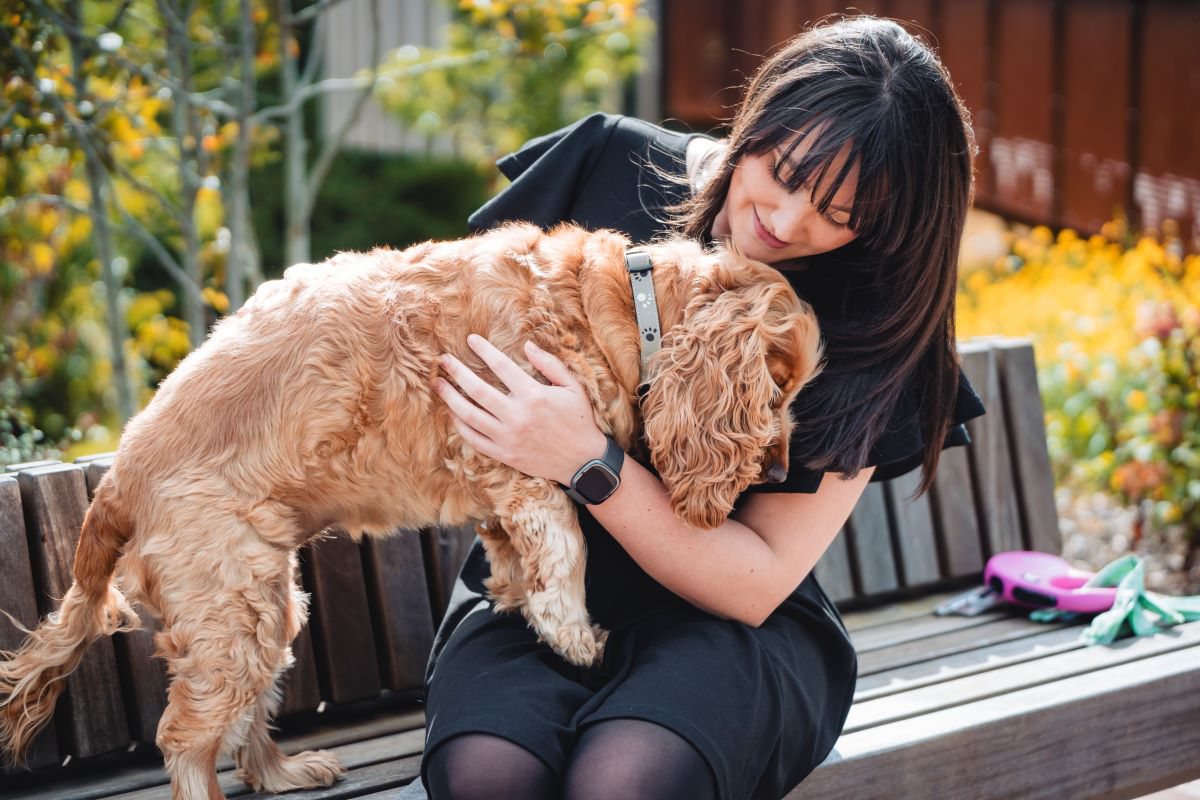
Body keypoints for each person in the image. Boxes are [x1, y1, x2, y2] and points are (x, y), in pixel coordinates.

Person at [418, 14, 986, 800]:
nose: (786, 224)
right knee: (488, 773)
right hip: (537, 584)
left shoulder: (874, 318)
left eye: (841, 216)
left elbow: (757, 581)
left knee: (627, 783)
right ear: (759, 121)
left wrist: (589, 461)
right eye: (783, 173)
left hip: (730, 627)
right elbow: (446, 347)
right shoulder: (609, 167)